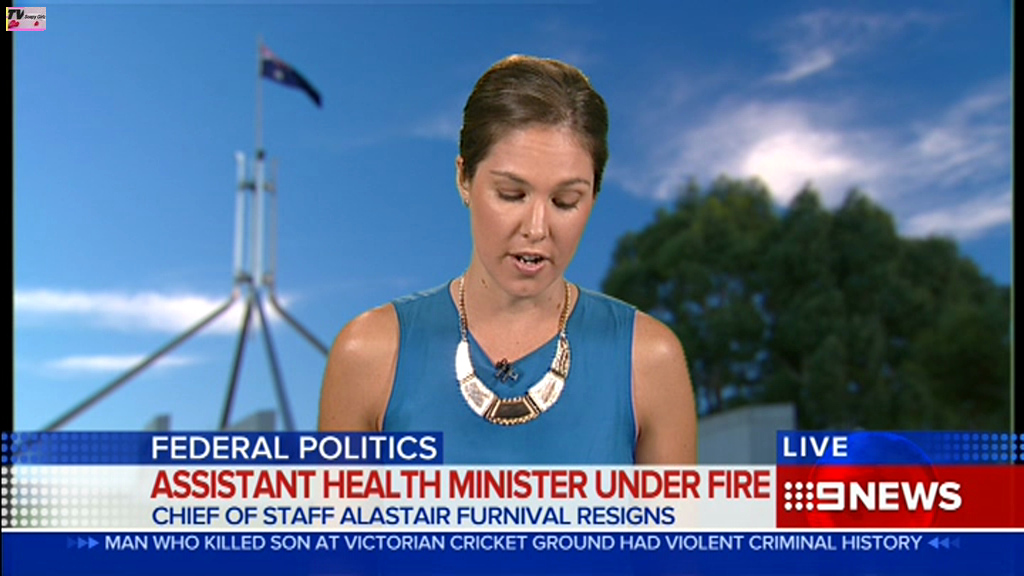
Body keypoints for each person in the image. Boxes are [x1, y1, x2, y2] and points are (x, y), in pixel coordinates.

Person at [319, 55, 696, 464]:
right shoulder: (369, 355)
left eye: (565, 201)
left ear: (594, 196)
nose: (536, 228)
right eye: (512, 195)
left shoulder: (649, 360)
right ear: (464, 178)